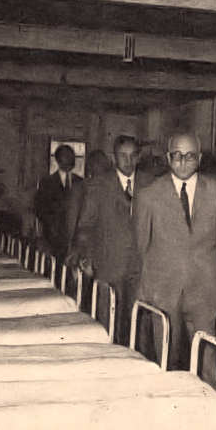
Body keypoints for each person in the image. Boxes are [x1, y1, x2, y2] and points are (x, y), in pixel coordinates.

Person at [134, 132, 216, 380]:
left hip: (204, 290)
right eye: (177, 156)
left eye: (190, 156)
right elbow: (142, 246)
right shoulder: (148, 195)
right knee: (166, 362)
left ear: (200, 158)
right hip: (163, 291)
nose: (183, 162)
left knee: (207, 364)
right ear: (168, 158)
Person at [68, 141, 153, 344]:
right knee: (107, 323)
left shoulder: (150, 183)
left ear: (138, 157)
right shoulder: (98, 185)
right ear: (114, 158)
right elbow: (86, 225)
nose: (128, 161)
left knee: (139, 326)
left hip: (142, 267)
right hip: (108, 265)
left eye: (132, 156)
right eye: (123, 156)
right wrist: (86, 255)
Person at [34, 144, 82, 261]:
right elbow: (40, 210)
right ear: (58, 160)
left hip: (75, 239)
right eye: (67, 156)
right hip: (53, 238)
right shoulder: (47, 183)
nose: (71, 159)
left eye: (72, 156)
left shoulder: (81, 182)